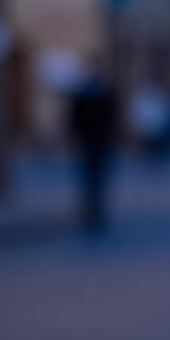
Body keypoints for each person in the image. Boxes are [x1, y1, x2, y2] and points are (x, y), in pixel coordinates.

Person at [67, 65, 118, 230]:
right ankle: (95, 208)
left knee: (88, 177)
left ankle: (90, 208)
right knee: (97, 177)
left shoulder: (84, 95)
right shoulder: (104, 94)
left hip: (88, 141)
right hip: (99, 142)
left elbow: (74, 120)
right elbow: (112, 119)